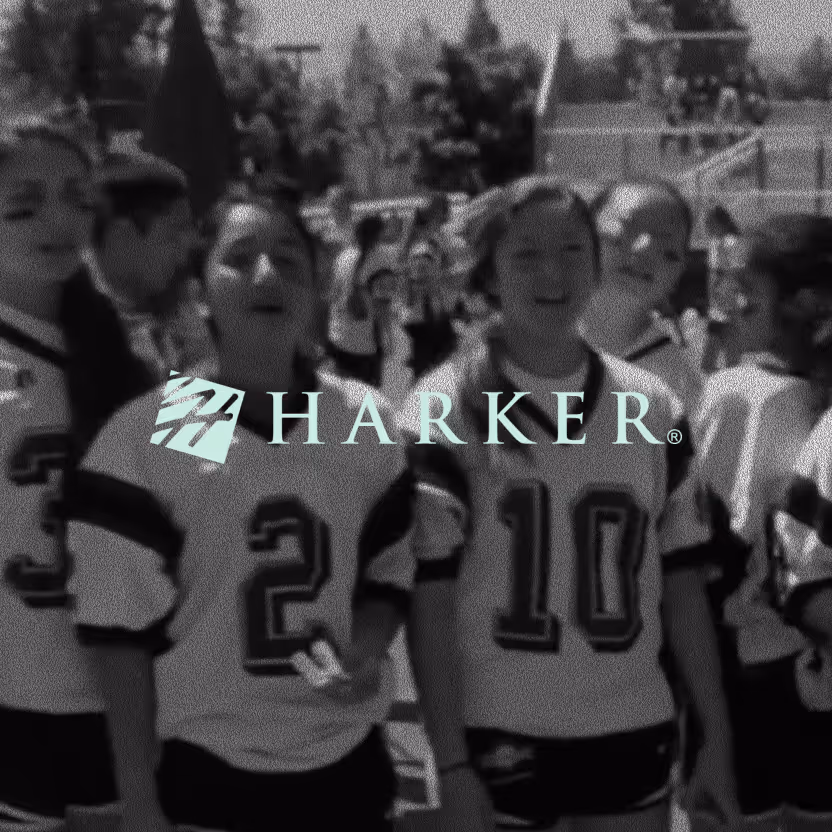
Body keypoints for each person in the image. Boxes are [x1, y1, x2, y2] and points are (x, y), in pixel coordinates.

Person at [65, 187, 414, 832]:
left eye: (288, 258)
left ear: (315, 290)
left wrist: (363, 648)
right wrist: (139, 798)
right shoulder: (164, 426)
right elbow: (118, 640)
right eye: (240, 257)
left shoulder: (360, 418)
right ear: (199, 292)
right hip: (208, 766)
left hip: (344, 757)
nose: (266, 273)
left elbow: (389, 569)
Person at [402, 176, 738, 832]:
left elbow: (684, 589)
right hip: (496, 727)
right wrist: (448, 765)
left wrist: (715, 739)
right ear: (489, 272)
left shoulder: (655, 402)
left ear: (594, 260)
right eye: (526, 254)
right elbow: (430, 606)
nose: (552, 272)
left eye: (572, 250)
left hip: (629, 722)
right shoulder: (439, 407)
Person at [0, 116, 149, 826]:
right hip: (10, 704)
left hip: (122, 695)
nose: (56, 219)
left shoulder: (129, 353)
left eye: (76, 197)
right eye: (25, 201)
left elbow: (231, 463)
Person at [693, 214, 832, 832]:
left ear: (804, 300)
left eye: (750, 284)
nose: (736, 299)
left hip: (742, 668)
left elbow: (679, 472)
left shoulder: (732, 392)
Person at [580, 179, 703, 414]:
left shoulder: (679, 387)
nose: (644, 250)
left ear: (678, 273)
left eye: (668, 251)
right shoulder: (516, 344)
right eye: (625, 231)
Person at [93, 150, 212, 380]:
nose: (184, 254)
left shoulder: (172, 306)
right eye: (173, 236)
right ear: (122, 238)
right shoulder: (91, 338)